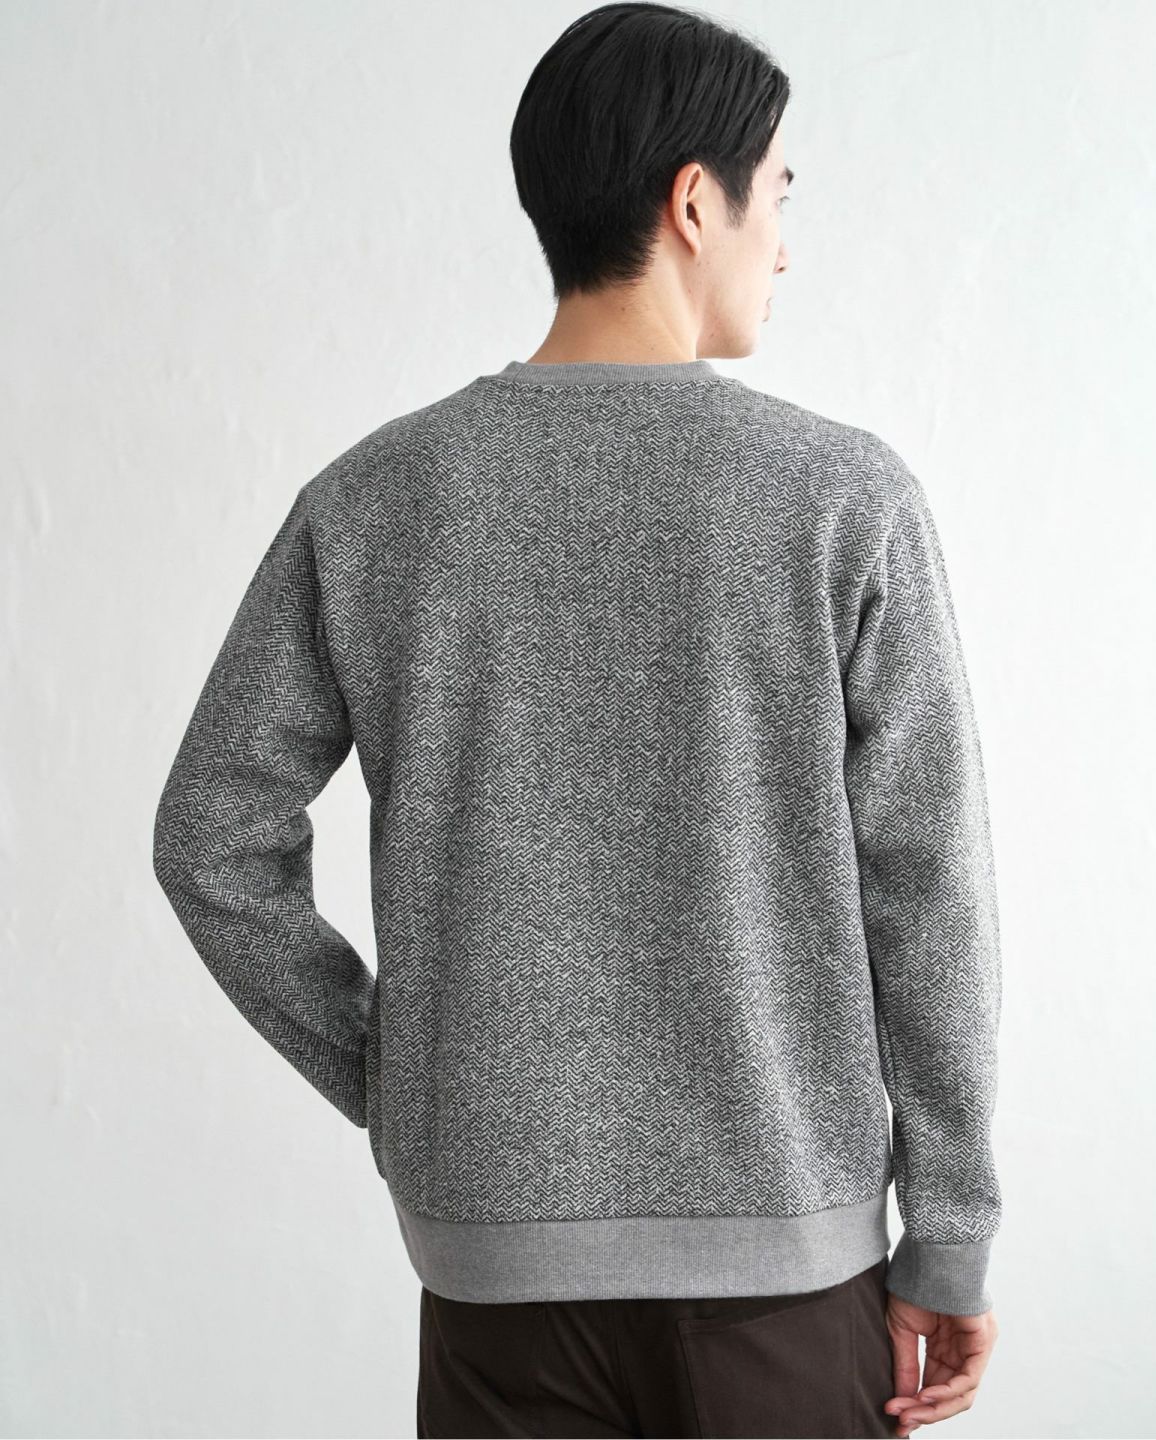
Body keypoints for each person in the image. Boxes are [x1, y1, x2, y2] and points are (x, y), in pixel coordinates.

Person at [151, 2, 1003, 1435]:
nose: (784, 244)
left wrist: (403, 1078)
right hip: (789, 1281)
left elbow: (207, 840)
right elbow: (931, 891)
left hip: (498, 1284)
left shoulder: (375, 500)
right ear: (695, 202)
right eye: (778, 195)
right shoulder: (844, 500)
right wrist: (954, 1232)